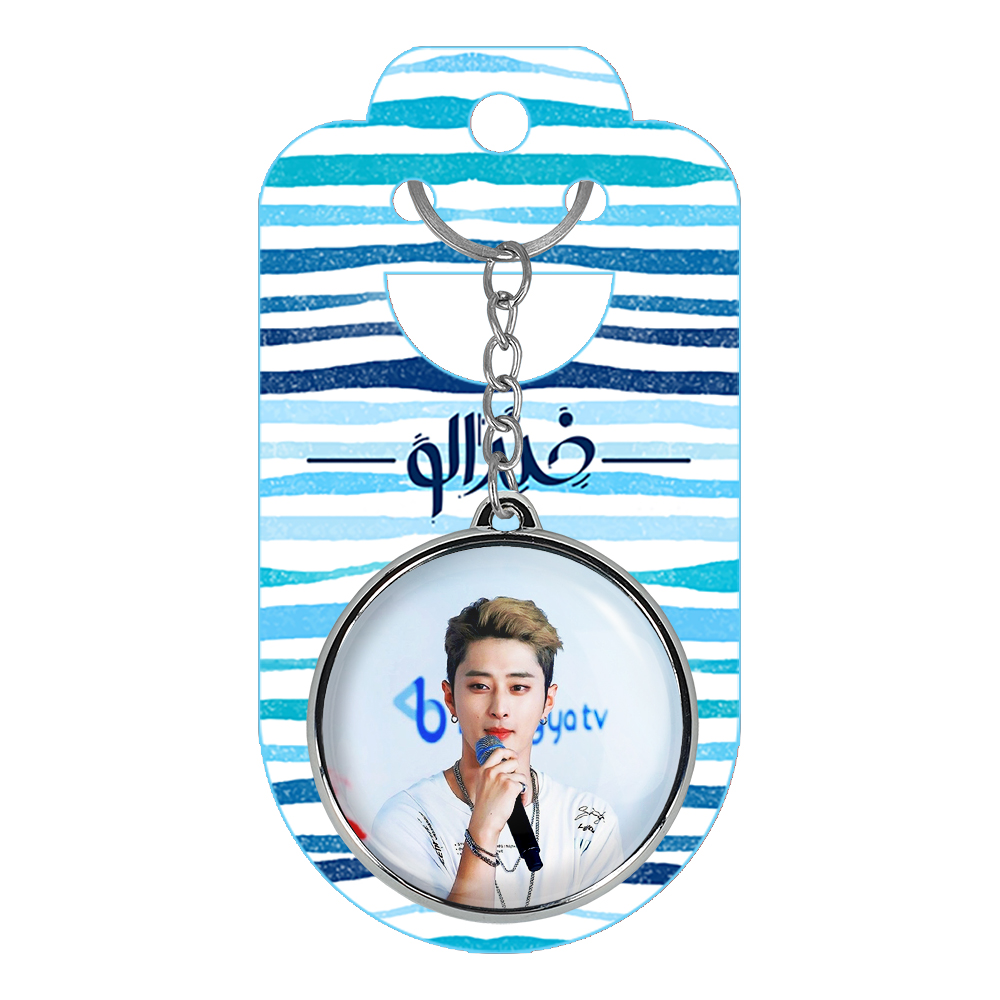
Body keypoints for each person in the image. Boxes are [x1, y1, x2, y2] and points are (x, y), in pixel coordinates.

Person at [368, 597, 624, 909]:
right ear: (450, 699)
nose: (499, 709)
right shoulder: (407, 819)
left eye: (518, 688)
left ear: (548, 701)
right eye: (479, 686)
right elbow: (437, 933)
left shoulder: (589, 820)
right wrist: (484, 828)